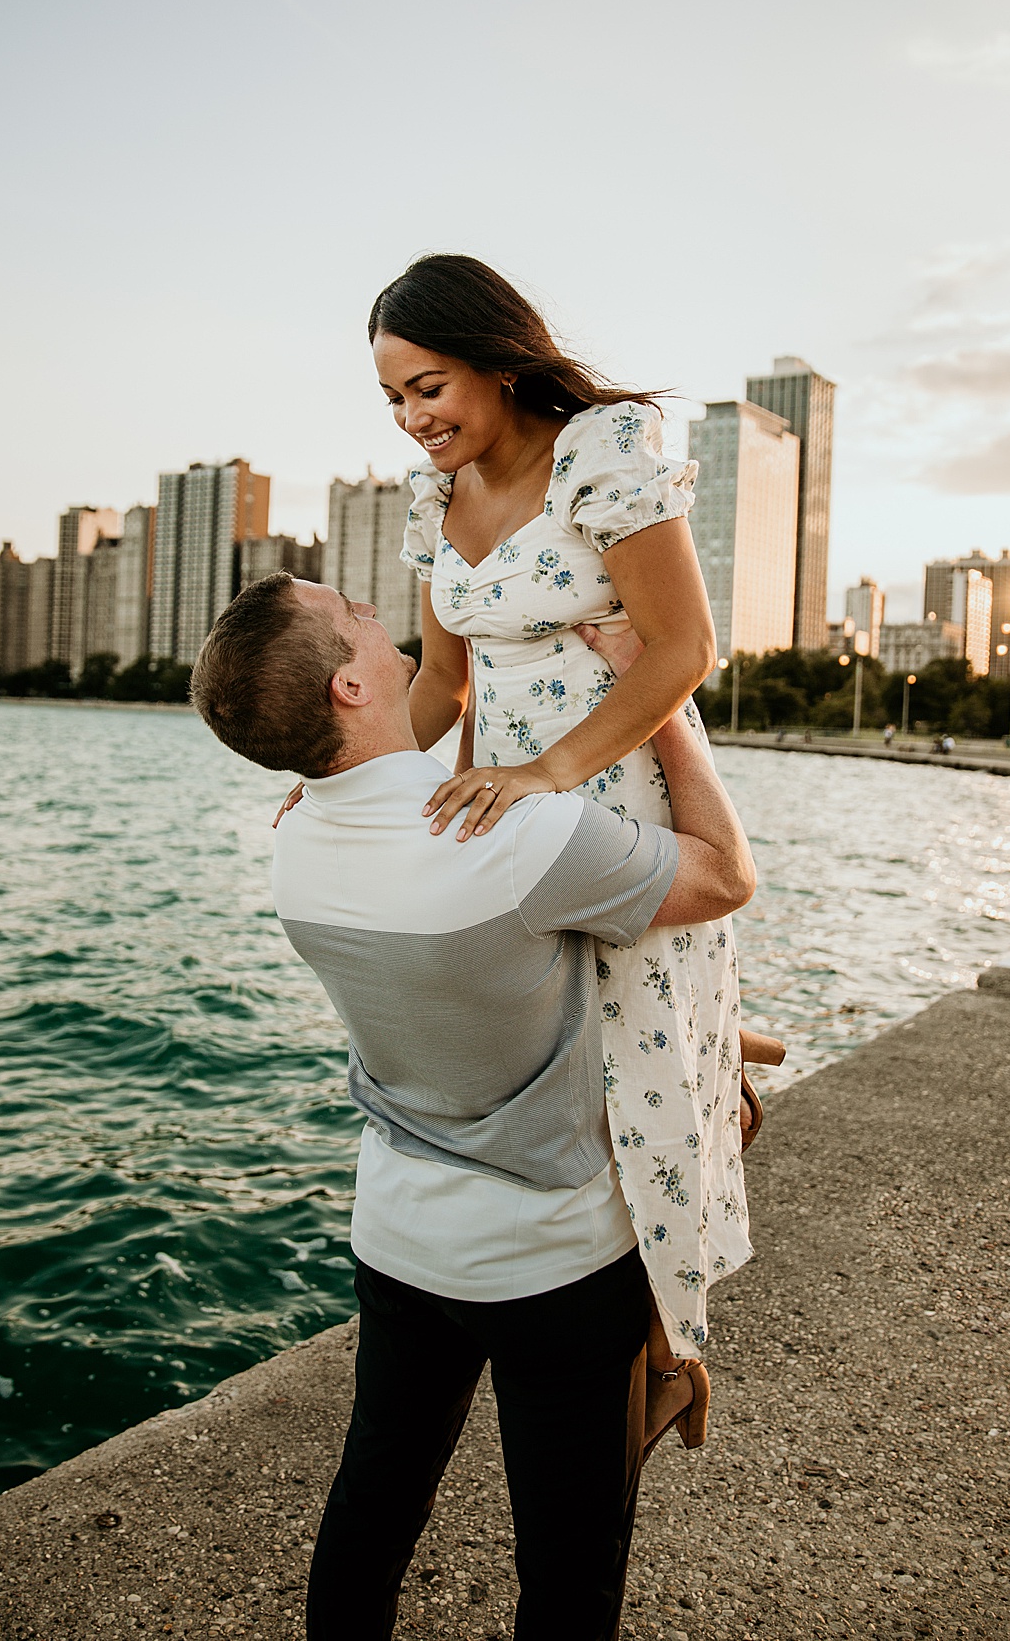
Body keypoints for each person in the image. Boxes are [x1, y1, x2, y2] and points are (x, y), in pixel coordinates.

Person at [190, 571, 757, 1641]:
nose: (373, 606)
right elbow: (725, 877)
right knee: (569, 1563)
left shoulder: (298, 845)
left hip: (400, 1243)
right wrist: (667, 709)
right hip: (550, 1262)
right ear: (352, 684)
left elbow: (407, 778)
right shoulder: (517, 838)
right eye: (351, 612)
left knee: (374, 1510)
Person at [371, 254, 750, 1395]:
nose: (411, 418)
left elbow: (684, 650)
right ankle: (726, 1082)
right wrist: (356, 772)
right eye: (393, 397)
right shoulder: (431, 501)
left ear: (496, 360)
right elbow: (437, 683)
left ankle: (659, 1348)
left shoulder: (604, 451)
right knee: (556, 1060)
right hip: (500, 808)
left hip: (609, 787)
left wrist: (549, 769)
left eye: (428, 386)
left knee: (629, 1050)